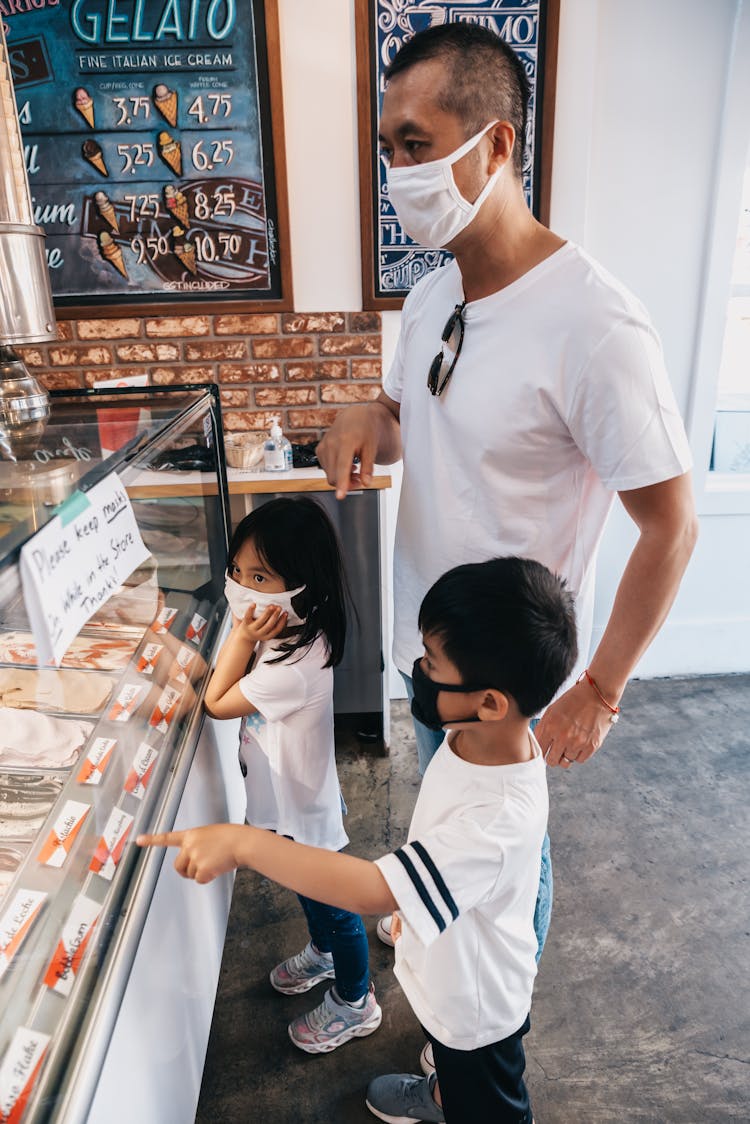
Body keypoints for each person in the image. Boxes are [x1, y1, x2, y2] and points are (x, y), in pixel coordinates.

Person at [316, 22, 698, 965]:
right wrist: (371, 411)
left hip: (502, 681)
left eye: (417, 143)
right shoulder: (431, 298)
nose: (398, 170)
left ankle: (487, 1061)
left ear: (497, 145)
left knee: (502, 871)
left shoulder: (596, 324)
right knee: (447, 857)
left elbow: (672, 526)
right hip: (424, 649)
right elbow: (415, 416)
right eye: (387, 149)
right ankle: (457, 1028)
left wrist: (600, 689)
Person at [139, 555, 578, 1124]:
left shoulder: (497, 818)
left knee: (491, 1105)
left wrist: (242, 844)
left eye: (431, 662)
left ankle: (459, 1100)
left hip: (476, 1011)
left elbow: (373, 890)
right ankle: (446, 1091)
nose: (418, 669)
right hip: (446, 969)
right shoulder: (480, 737)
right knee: (450, 1059)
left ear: (490, 701)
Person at [203, 497, 381, 1053]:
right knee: (309, 890)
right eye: (237, 571)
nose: (241, 585)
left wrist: (241, 636)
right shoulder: (291, 636)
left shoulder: (291, 664)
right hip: (287, 804)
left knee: (335, 902)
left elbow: (215, 701)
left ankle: (357, 1002)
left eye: (260, 576)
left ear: (302, 584)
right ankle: (324, 954)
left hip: (304, 811)